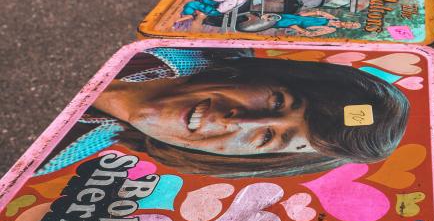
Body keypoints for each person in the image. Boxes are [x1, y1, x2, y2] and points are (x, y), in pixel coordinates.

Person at [38, 47, 409, 178]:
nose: (237, 121)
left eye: (268, 138)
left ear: (242, 162)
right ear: (274, 75)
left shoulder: (50, 160)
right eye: (277, 102)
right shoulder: (197, 28)